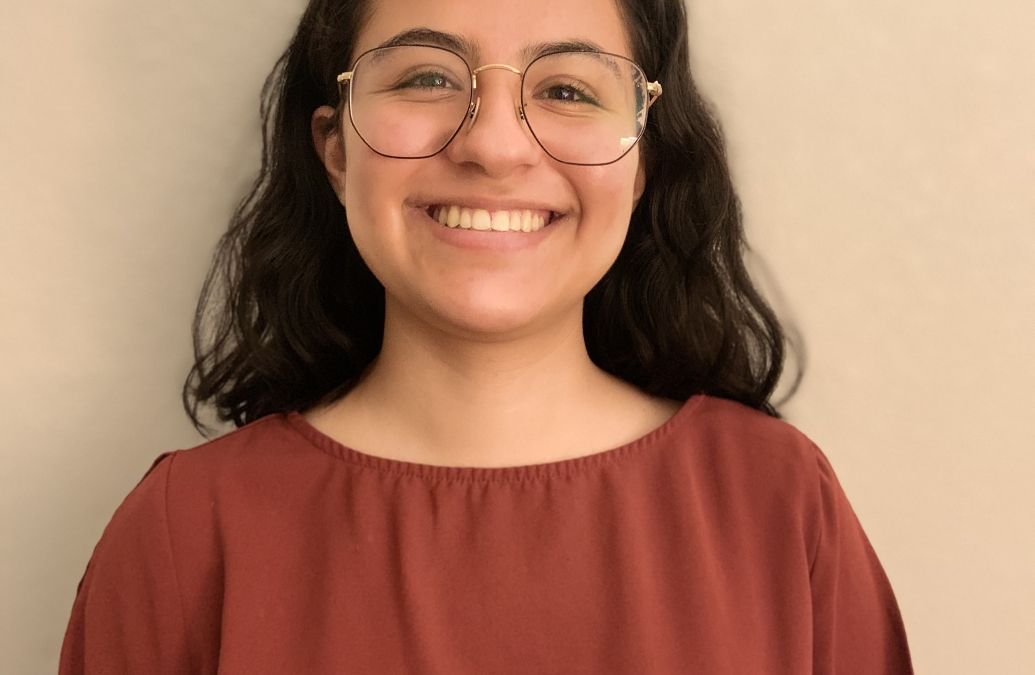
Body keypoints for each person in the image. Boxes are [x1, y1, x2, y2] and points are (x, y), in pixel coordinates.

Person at [59, 0, 913, 672]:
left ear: (645, 158)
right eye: (427, 78)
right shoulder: (184, 531)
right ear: (334, 150)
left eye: (568, 89)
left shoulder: (776, 502)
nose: (495, 146)